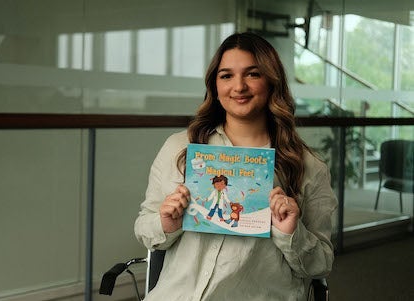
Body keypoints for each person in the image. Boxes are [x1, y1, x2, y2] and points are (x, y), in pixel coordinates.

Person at [134, 32, 338, 300]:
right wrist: (166, 222)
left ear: (271, 82)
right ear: (215, 86)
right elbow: (144, 229)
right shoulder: (178, 149)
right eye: (226, 75)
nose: (239, 87)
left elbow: (321, 264)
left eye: (253, 74)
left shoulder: (308, 167)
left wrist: (291, 232)